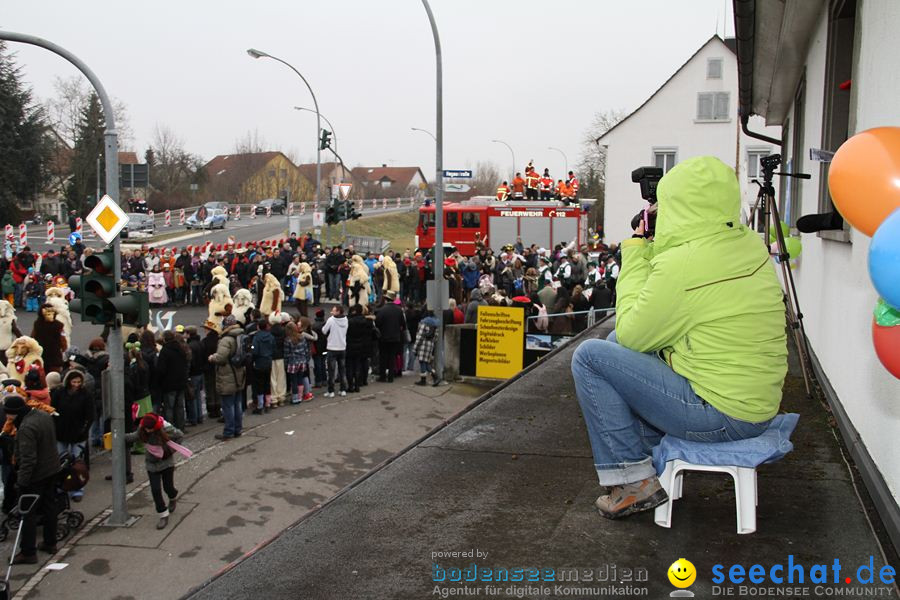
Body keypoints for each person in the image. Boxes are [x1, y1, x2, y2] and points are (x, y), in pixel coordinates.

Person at [571, 156, 788, 519]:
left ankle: (632, 483)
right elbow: (694, 270)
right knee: (611, 351)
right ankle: (647, 462)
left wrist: (638, 251)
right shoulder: (747, 243)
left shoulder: (683, 265)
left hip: (720, 416)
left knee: (591, 356)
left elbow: (633, 333)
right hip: (756, 406)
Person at [4, 392, 60, 563]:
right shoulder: (43, 415)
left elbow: (28, 460)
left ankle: (28, 552)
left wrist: (22, 481)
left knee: (27, 513)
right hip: (52, 468)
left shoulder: (27, 427)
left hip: (36, 474)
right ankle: (50, 542)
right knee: (50, 507)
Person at [125, 413, 182, 529]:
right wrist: (118, 436)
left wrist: (170, 451)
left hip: (166, 464)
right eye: (146, 428)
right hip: (151, 465)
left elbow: (180, 435)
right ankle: (163, 514)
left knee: (168, 487)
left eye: (150, 428)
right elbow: (133, 437)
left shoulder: (166, 429)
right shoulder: (142, 430)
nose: (148, 430)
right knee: (155, 490)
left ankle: (172, 497)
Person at [50, 369, 94, 502]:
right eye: (74, 382)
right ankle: (61, 486)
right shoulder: (59, 393)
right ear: (68, 381)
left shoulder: (85, 395)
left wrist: (84, 430)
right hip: (61, 432)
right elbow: (53, 410)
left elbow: (90, 415)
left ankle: (77, 489)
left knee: (77, 463)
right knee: (61, 461)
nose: (76, 384)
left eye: (79, 382)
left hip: (78, 434)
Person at [209, 316, 245, 440]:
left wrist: (213, 357)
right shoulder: (240, 336)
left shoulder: (226, 339)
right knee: (237, 404)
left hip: (227, 374)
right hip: (239, 373)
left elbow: (221, 358)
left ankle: (228, 431)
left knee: (228, 405)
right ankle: (238, 429)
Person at [155, 330, 188, 430]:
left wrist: (159, 382)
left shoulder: (165, 351)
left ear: (164, 339)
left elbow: (161, 369)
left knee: (169, 407)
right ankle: (181, 426)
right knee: (179, 406)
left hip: (169, 384)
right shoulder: (181, 349)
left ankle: (170, 428)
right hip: (181, 383)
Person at [345, 304, 378, 393]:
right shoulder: (367, 321)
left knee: (350, 366)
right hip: (362, 344)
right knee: (360, 364)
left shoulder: (349, 321)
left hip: (351, 345)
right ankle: (359, 383)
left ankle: (351, 385)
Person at [374, 292, 405, 383]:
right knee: (392, 357)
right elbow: (403, 324)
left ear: (386, 299)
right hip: (395, 337)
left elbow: (377, 323)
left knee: (383, 357)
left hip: (383, 337)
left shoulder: (381, 310)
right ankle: (391, 376)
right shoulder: (399, 310)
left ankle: (382, 376)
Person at [283, 319, 316, 403]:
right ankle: (301, 396)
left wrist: (286, 363)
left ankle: (295, 397)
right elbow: (306, 350)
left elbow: (287, 353)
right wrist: (306, 359)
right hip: (302, 361)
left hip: (292, 362)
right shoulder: (302, 337)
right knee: (300, 380)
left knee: (294, 381)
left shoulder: (288, 340)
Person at [31, 304, 66, 373]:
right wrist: (64, 349)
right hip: (54, 354)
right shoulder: (59, 325)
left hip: (40, 354)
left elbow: (32, 337)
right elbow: (63, 340)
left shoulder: (37, 324)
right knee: (54, 375)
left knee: (41, 375)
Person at [321, 305, 348, 398]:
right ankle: (343, 389)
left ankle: (331, 391)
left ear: (338, 312)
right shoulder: (346, 320)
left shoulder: (331, 320)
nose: (332, 312)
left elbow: (324, 330)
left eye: (333, 310)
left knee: (331, 371)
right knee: (342, 370)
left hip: (332, 347)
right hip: (342, 347)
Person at [250, 318, 275, 413]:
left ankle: (260, 405)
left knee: (259, 384)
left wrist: (252, 353)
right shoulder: (271, 337)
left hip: (259, 362)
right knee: (267, 383)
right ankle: (268, 403)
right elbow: (273, 347)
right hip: (268, 361)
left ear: (258, 327)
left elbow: (254, 350)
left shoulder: (256, 337)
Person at [412, 310, 440, 386]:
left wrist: (415, 348)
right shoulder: (436, 324)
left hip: (423, 345)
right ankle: (434, 377)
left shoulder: (424, 322)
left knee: (422, 361)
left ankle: (424, 380)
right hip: (430, 344)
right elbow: (436, 337)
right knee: (426, 362)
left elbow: (420, 336)